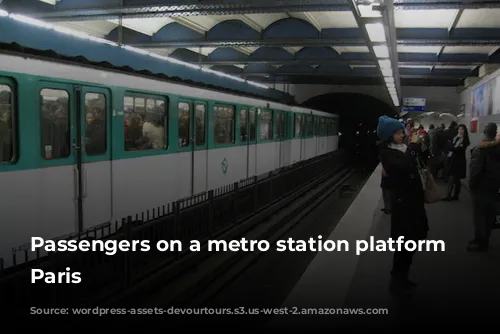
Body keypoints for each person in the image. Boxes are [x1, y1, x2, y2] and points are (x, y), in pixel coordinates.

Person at [377, 116, 429, 295]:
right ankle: (398, 278)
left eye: (401, 132)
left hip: (414, 200)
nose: (402, 135)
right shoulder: (387, 153)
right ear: (390, 135)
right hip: (403, 203)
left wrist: (421, 147)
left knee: (417, 236)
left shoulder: (404, 148)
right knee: (405, 241)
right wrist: (414, 147)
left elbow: (415, 162)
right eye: (399, 133)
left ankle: (402, 274)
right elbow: (404, 166)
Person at [467, 123, 500, 252]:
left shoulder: (480, 148)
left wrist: (471, 184)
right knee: (489, 214)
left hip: (481, 186)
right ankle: (482, 238)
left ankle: (481, 242)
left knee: (479, 215)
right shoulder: (497, 147)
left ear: (485, 131)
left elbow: (476, 170)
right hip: (494, 186)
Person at [443, 124, 470, 201]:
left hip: (459, 161)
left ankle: (455, 195)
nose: (460, 131)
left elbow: (457, 149)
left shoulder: (465, 140)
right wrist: (452, 147)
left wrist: (451, 147)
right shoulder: (456, 138)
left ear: (465, 131)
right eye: (459, 129)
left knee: (456, 179)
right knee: (452, 177)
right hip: (453, 160)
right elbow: (452, 147)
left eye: (462, 129)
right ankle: (450, 195)